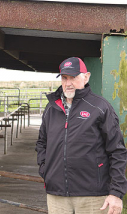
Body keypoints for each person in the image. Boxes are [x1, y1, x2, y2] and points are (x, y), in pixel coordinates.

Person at [36, 57, 127, 214]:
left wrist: (116, 193)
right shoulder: (51, 108)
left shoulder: (100, 107)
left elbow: (117, 151)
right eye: (65, 78)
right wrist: (46, 170)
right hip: (57, 195)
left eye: (73, 77)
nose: (68, 83)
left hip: (93, 196)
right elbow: (42, 143)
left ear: (86, 77)